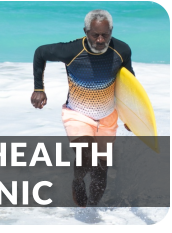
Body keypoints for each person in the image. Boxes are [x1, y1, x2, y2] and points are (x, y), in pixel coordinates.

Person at [31, 9, 134, 207]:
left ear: (111, 30)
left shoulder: (122, 50)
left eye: (106, 34)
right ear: (86, 31)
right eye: (95, 35)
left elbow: (129, 85)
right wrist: (38, 88)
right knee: (86, 153)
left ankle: (91, 212)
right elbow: (40, 53)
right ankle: (77, 181)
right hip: (77, 114)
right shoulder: (71, 50)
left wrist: (132, 118)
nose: (101, 40)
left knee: (100, 172)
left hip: (107, 116)